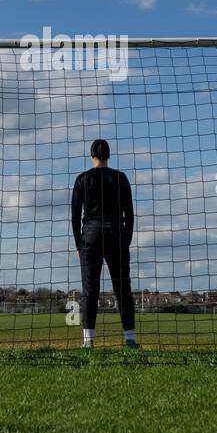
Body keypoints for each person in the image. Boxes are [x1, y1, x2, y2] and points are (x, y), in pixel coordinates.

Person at [71, 139, 138, 349]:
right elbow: (130, 214)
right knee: (122, 288)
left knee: (89, 288)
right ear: (109, 155)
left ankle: (88, 341)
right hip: (116, 232)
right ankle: (129, 339)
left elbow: (74, 216)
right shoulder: (121, 178)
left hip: (90, 234)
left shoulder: (82, 179)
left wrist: (79, 245)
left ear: (92, 155)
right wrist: (125, 240)